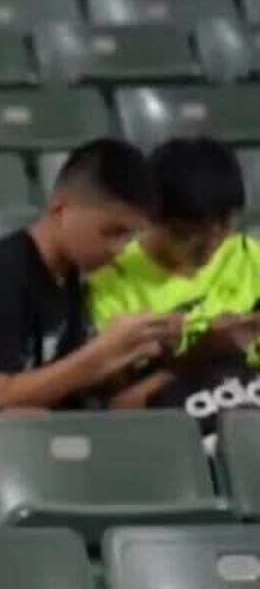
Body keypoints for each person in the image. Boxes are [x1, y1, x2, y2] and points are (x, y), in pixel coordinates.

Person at [0, 138, 183, 441]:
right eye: (111, 232)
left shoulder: (69, 279)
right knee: (29, 420)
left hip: (1, 437)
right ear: (60, 209)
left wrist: (138, 347)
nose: (119, 249)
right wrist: (103, 351)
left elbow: (63, 379)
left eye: (130, 236)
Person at [86, 137, 260, 419]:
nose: (209, 247)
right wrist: (198, 356)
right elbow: (119, 409)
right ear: (152, 218)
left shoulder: (249, 257)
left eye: (223, 227)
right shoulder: (112, 285)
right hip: (182, 426)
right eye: (187, 235)